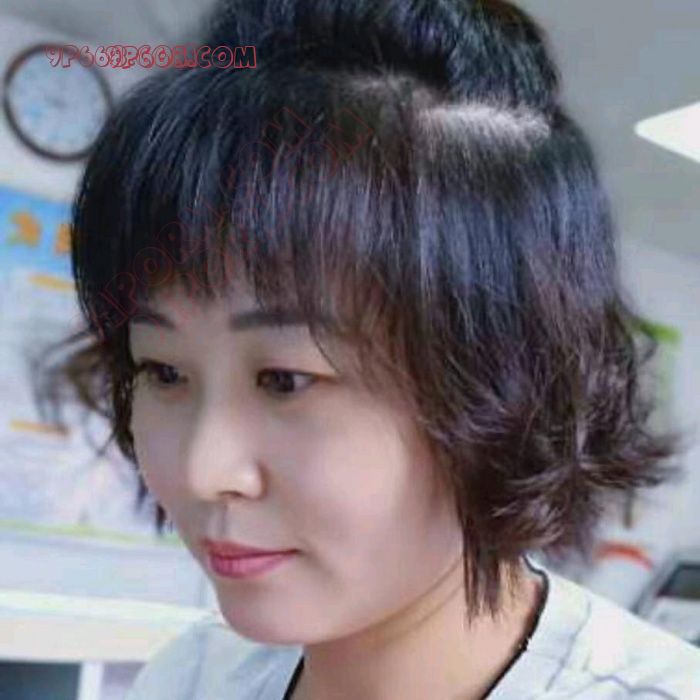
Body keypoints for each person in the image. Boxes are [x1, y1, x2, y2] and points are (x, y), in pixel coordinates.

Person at [35, 0, 700, 697]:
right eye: (164, 371)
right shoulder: (193, 676)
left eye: (285, 379)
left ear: (506, 384)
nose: (202, 472)